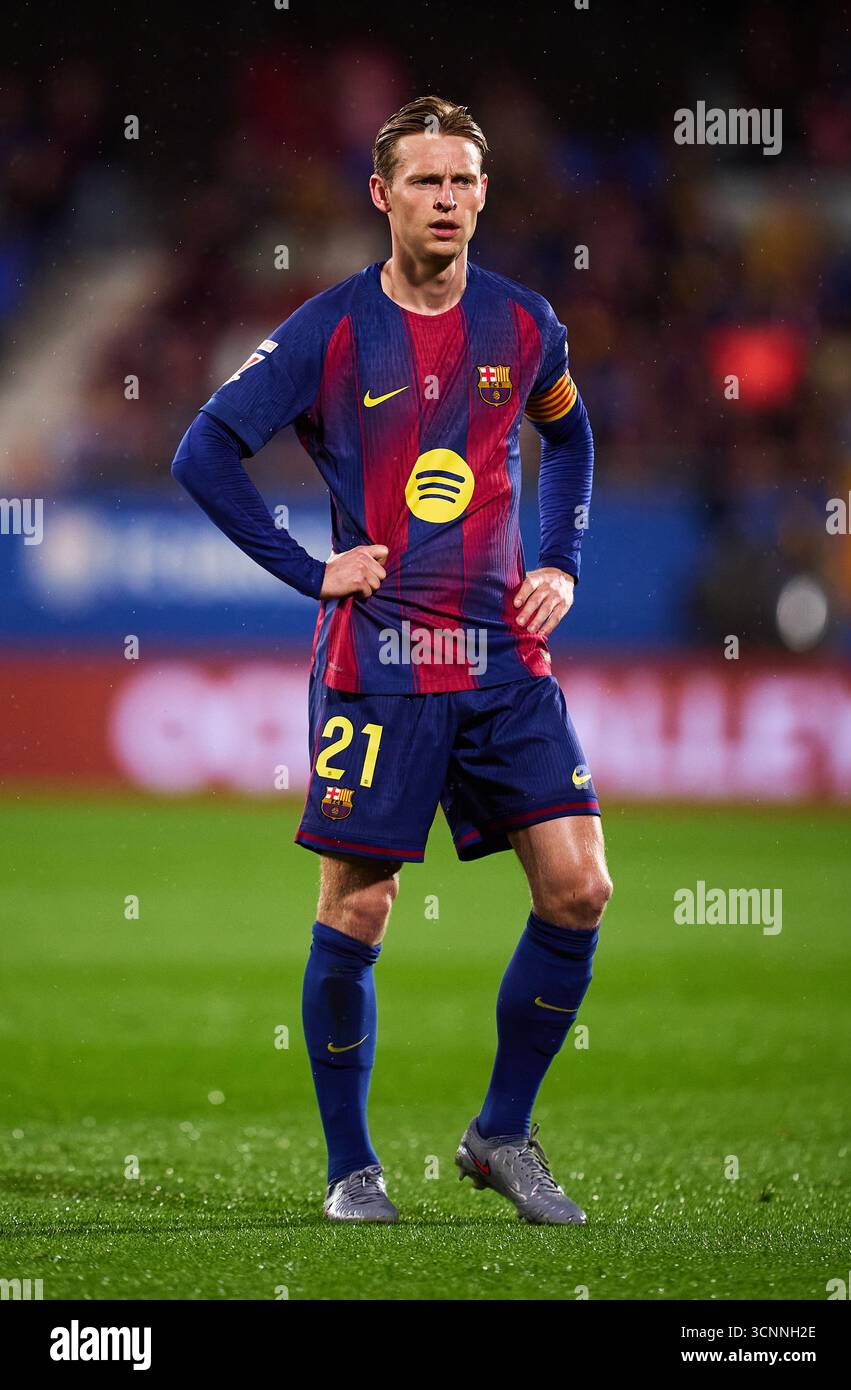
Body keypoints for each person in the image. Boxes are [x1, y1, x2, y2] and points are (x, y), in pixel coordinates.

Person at [171, 95, 613, 1225]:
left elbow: (566, 436)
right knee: (358, 911)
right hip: (379, 663)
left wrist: (557, 558)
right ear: (381, 196)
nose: (448, 201)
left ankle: (499, 1133)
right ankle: (349, 1169)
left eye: (463, 181)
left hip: (505, 661)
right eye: (424, 181)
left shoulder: (524, 328)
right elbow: (203, 450)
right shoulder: (325, 331)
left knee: (577, 886)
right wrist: (304, 566)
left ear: (483, 194)